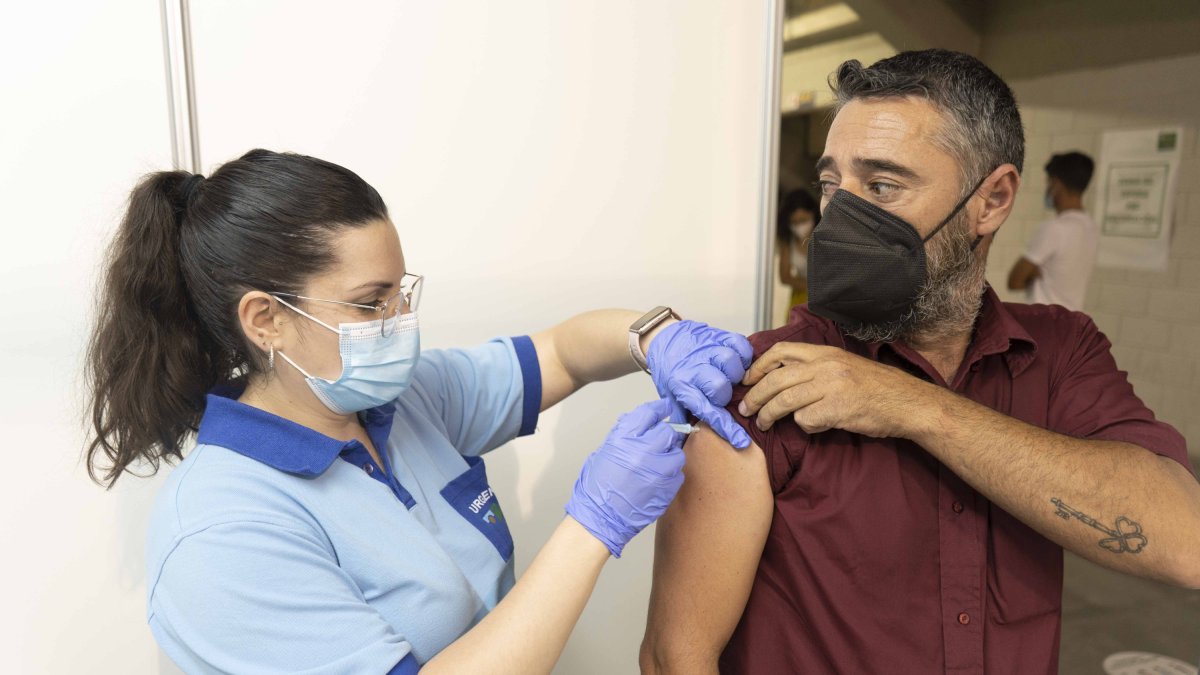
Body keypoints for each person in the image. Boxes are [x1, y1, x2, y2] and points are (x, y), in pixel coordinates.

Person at [85, 149, 755, 674]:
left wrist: (654, 335)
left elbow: (561, 354)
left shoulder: (397, 402)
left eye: (400, 292)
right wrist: (593, 525)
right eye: (369, 302)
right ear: (266, 320)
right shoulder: (219, 532)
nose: (400, 323)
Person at [641, 50, 1200, 675]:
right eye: (832, 185)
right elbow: (676, 656)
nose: (836, 220)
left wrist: (912, 405)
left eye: (882, 186)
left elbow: (1183, 542)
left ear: (991, 200)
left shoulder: (1060, 352)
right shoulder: (769, 381)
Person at [1007, 151, 1098, 310]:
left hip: (1044, 325)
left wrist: (1035, 272)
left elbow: (1015, 281)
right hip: (1072, 325)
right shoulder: (1091, 228)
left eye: (1048, 182)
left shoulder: (1054, 229)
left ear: (1056, 184)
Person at [776, 189, 821, 308]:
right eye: (794, 222)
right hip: (801, 298)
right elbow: (785, 277)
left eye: (803, 220)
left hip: (827, 299)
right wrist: (817, 288)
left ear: (813, 214)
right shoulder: (787, 240)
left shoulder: (826, 236)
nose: (799, 226)